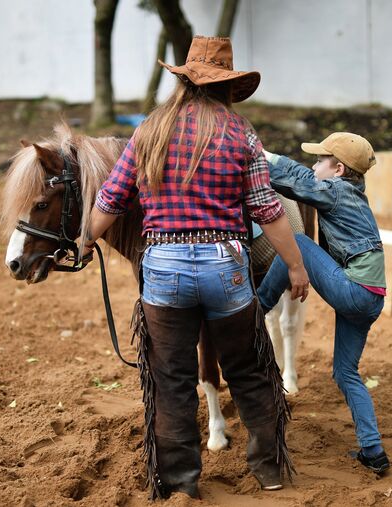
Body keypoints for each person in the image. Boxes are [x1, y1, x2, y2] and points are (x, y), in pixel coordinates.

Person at [83, 36, 310, 499]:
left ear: (185, 80)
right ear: (227, 85)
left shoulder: (150, 130)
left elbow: (110, 199)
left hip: (163, 267)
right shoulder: (240, 132)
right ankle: (268, 472)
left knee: (171, 380)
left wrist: (86, 240)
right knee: (248, 370)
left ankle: (182, 483)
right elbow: (267, 210)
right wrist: (296, 266)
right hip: (225, 264)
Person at [258, 132, 391, 474]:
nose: (314, 165)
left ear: (340, 169)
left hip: (353, 290)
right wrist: (265, 152)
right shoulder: (348, 191)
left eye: (321, 160)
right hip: (371, 298)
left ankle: (258, 309)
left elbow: (292, 181)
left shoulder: (335, 191)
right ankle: (373, 450)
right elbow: (302, 174)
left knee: (297, 243)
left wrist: (253, 159)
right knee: (346, 372)